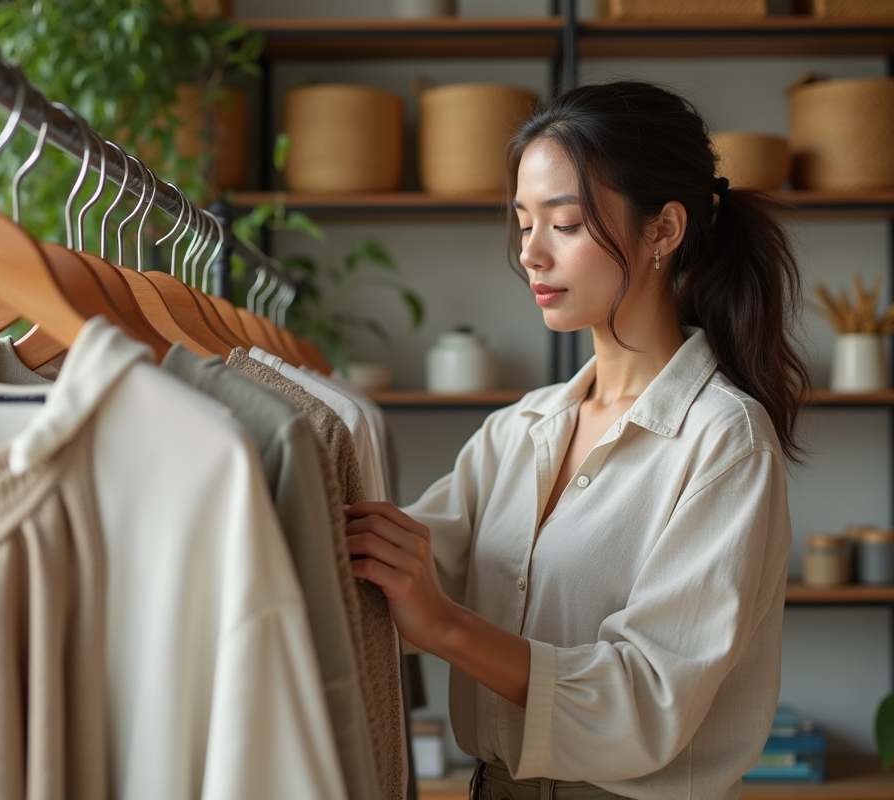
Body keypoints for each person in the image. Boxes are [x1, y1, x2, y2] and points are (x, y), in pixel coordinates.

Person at [344, 80, 810, 800]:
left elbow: (646, 697)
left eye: (563, 224)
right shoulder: (518, 429)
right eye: (524, 223)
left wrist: (444, 626)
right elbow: (397, 574)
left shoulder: (723, 442)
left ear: (664, 230)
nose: (531, 253)